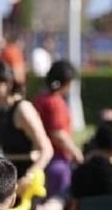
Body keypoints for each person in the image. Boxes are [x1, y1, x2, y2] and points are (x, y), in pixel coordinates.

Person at [0, 61, 54, 202]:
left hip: (26, 181)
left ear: (7, 84)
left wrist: (29, 176)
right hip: (8, 180)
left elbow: (47, 150)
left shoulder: (23, 109)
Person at [31, 60, 84, 201]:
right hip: (57, 161)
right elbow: (58, 134)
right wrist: (76, 153)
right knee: (57, 203)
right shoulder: (54, 103)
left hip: (40, 159)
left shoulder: (40, 98)